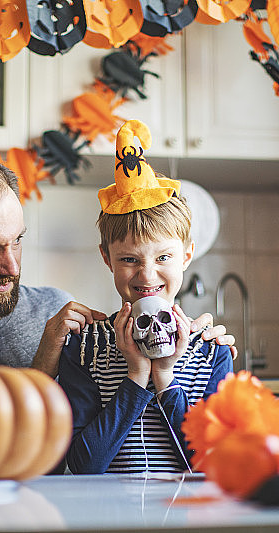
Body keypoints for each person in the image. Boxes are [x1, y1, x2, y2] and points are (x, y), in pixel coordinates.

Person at [0, 150, 235, 377]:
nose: (11, 266)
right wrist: (42, 368)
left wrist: (195, 349)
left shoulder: (57, 311)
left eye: (17, 241)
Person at [59, 120, 233, 475]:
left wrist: (166, 378)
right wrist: (137, 376)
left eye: (163, 257)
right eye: (129, 259)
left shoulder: (212, 351)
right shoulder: (84, 348)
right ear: (107, 258)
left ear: (187, 256)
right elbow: (83, 466)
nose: (147, 275)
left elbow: (213, 465)